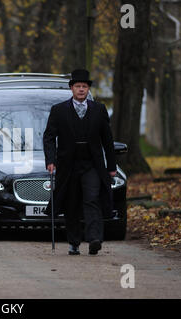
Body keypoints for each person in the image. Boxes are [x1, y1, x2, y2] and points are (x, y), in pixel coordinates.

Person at [43, 69, 117, 256]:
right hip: (68, 165)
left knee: (92, 199)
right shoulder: (58, 110)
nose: (81, 89)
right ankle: (74, 242)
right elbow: (49, 137)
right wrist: (50, 160)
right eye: (78, 86)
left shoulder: (99, 110)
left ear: (88, 89)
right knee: (72, 203)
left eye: (84, 86)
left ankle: (94, 239)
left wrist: (112, 166)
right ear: (71, 88)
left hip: (92, 163)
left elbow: (107, 139)